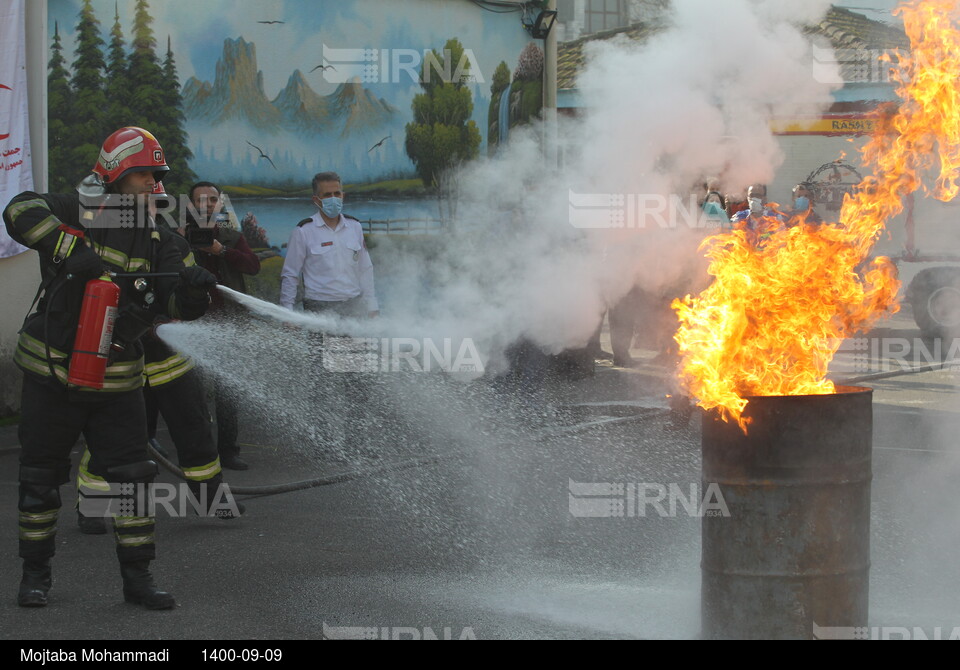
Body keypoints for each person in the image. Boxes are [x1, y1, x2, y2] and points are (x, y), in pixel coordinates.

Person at [2, 126, 217, 609]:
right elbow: (18, 210)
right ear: (116, 172)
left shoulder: (164, 234)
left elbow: (176, 303)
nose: (151, 182)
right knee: (39, 479)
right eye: (142, 173)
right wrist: (67, 248)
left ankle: (138, 580)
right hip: (51, 372)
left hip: (118, 382)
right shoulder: (80, 208)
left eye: (155, 175)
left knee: (133, 481)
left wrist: (197, 289)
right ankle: (34, 576)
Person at [183, 181, 261, 470]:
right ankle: (199, 454)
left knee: (227, 391)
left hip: (229, 324)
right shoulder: (179, 238)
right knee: (193, 394)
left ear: (220, 204)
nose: (207, 205)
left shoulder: (230, 237)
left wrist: (220, 251)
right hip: (193, 324)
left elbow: (253, 266)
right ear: (190, 206)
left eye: (213, 199)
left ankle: (228, 451)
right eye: (200, 200)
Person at [280, 172, 378, 318]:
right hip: (319, 308)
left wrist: (372, 304)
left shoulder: (354, 226)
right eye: (327, 195)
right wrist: (287, 313)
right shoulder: (303, 231)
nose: (333, 198)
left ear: (343, 196)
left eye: (337, 193)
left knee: (356, 342)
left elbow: (365, 268)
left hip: (354, 306)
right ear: (316, 199)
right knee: (323, 342)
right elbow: (290, 274)